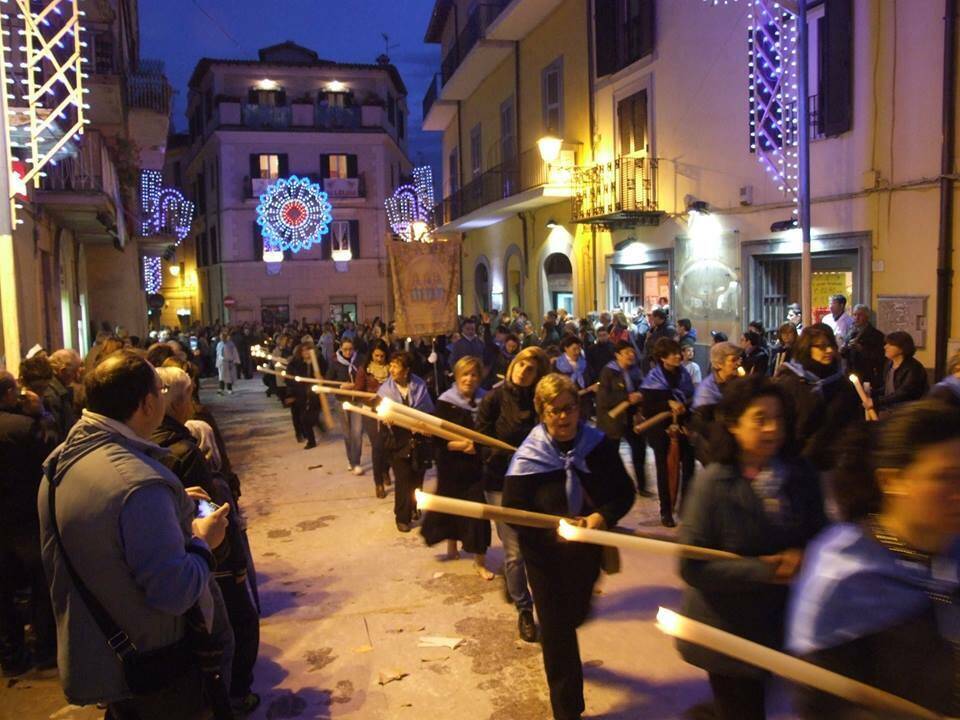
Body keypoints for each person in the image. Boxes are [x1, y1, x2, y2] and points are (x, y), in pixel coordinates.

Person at [38, 351, 231, 718]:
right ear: (147, 404)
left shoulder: (62, 460)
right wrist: (205, 541)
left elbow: (105, 532)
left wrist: (165, 511)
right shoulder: (138, 485)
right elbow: (174, 591)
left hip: (101, 656)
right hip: (154, 671)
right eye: (160, 390)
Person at [787, 400, 960, 719]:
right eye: (945, 477)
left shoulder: (952, 549)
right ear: (892, 481)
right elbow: (821, 705)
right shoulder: (847, 574)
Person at [679, 376, 828, 720]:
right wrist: (765, 570)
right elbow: (691, 566)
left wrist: (808, 554)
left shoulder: (799, 473)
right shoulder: (714, 483)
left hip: (781, 623)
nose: (773, 429)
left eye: (779, 419)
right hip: (728, 631)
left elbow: (821, 532)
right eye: (760, 419)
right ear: (732, 424)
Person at [503, 373, 635, 720]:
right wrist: (554, 531)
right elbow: (514, 514)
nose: (563, 417)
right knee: (558, 631)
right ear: (541, 412)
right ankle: (567, 709)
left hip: (586, 553)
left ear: (579, 408)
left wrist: (601, 518)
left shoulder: (598, 446)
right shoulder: (529, 456)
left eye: (569, 408)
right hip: (544, 559)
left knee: (575, 615)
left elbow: (624, 493)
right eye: (554, 411)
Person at [153, 367, 260, 715]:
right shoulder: (183, 449)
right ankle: (232, 697)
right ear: (178, 401)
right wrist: (233, 564)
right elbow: (213, 511)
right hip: (200, 558)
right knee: (233, 628)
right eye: (190, 397)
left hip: (173, 559)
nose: (193, 404)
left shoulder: (146, 442)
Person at [476, 346, 551, 643]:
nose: (522, 371)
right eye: (520, 365)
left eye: (530, 369)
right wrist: (496, 452)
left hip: (534, 483)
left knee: (536, 547)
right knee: (515, 551)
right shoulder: (493, 398)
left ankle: (518, 582)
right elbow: (478, 437)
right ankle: (524, 610)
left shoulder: (540, 403)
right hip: (500, 482)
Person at [0, 371, 58, 676]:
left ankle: (11, 655)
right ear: (9, 394)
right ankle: (45, 649)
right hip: (26, 520)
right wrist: (42, 413)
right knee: (40, 587)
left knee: (4, 592)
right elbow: (50, 456)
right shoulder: (25, 427)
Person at [421, 357, 494, 580]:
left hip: (475, 469)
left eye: (474, 375)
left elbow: (491, 433)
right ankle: (451, 548)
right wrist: (463, 445)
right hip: (451, 467)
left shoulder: (487, 400)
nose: (469, 379)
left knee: (478, 512)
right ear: (457, 375)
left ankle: (480, 561)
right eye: (465, 374)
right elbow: (438, 440)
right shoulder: (445, 402)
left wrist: (478, 447)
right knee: (451, 507)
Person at [774, 324, 863, 471]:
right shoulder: (790, 381)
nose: (829, 351)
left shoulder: (841, 382)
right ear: (807, 348)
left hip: (837, 464)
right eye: (821, 346)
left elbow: (852, 423)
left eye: (831, 346)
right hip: (801, 465)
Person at [377, 351, 435, 533]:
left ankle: (415, 506)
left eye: (396, 366)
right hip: (398, 439)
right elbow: (380, 412)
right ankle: (402, 517)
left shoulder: (419, 385)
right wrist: (387, 417)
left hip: (419, 438)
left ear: (406, 370)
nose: (391, 369)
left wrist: (423, 424)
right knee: (403, 479)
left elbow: (428, 410)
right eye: (391, 365)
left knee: (417, 476)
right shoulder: (385, 390)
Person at [642, 338, 696, 527]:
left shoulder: (684, 375)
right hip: (661, 432)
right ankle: (666, 511)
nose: (677, 356)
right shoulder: (653, 379)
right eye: (672, 354)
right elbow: (648, 409)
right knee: (664, 471)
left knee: (689, 467)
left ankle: (686, 508)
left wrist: (684, 407)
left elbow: (691, 398)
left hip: (682, 429)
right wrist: (667, 404)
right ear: (662, 358)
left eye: (678, 352)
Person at [596, 341, 649, 497]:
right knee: (612, 454)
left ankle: (642, 486)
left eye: (632, 352)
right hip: (613, 420)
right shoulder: (608, 372)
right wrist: (627, 397)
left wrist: (641, 396)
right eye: (627, 352)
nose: (631, 355)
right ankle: (613, 487)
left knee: (639, 449)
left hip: (632, 418)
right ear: (617, 355)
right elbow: (604, 398)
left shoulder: (635, 371)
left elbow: (644, 387)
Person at [690, 342, 743, 465]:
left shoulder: (736, 382)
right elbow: (703, 425)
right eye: (734, 360)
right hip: (714, 451)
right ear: (719, 364)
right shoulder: (707, 391)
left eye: (739, 359)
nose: (739, 363)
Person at [327, 337, 365, 474]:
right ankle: (351, 459)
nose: (348, 352)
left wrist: (356, 385)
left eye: (350, 349)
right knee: (347, 434)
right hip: (342, 401)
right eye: (345, 349)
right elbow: (328, 381)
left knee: (357, 432)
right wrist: (340, 385)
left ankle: (356, 462)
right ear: (341, 349)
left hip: (358, 401)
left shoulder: (360, 360)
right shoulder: (335, 362)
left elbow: (365, 377)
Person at [359, 340, 392, 497]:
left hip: (390, 412)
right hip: (371, 412)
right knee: (378, 445)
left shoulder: (392, 369)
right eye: (376, 355)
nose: (379, 359)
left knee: (389, 445)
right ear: (371, 355)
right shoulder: (365, 370)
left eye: (382, 356)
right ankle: (378, 482)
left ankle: (385, 469)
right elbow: (358, 391)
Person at [869, 330, 929, 413]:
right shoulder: (889, 364)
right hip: (890, 410)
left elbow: (904, 393)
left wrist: (876, 402)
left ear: (902, 348)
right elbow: (889, 388)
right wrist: (873, 392)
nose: (885, 347)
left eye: (890, 344)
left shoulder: (913, 368)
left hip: (906, 412)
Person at [286, 341, 324, 449]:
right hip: (301, 394)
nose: (306, 352)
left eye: (309, 349)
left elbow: (327, 374)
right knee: (303, 418)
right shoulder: (295, 363)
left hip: (315, 395)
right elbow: (289, 379)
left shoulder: (318, 362)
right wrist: (291, 394)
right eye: (304, 350)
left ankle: (317, 424)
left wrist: (322, 378)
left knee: (313, 416)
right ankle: (311, 441)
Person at [842, 303, 885, 389]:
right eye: (854, 315)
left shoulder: (876, 335)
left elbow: (879, 357)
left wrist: (861, 349)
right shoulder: (851, 331)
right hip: (850, 373)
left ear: (867, 317)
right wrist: (843, 349)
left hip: (867, 375)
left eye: (860, 315)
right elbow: (845, 354)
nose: (856, 318)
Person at [46, 349, 82, 438]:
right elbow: (61, 430)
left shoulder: (58, 390)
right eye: (74, 372)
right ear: (63, 371)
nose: (77, 376)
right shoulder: (52, 395)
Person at [216, 330, 240, 395]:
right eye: (221, 337)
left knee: (229, 377)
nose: (222, 338)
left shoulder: (230, 344)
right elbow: (218, 354)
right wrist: (219, 361)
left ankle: (229, 389)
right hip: (222, 363)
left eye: (223, 337)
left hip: (229, 362)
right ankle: (221, 389)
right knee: (221, 376)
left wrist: (235, 361)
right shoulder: (219, 344)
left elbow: (235, 353)